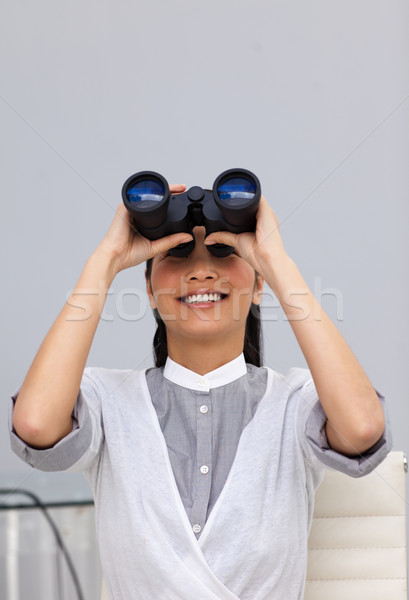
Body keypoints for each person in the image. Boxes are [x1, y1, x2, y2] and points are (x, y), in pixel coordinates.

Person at [10, 182, 392, 599]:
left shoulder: (295, 406)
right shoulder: (109, 403)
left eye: (224, 252)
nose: (201, 271)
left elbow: (361, 428)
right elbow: (34, 424)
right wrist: (105, 260)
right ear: (150, 289)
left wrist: (276, 260)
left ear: (260, 284)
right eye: (177, 254)